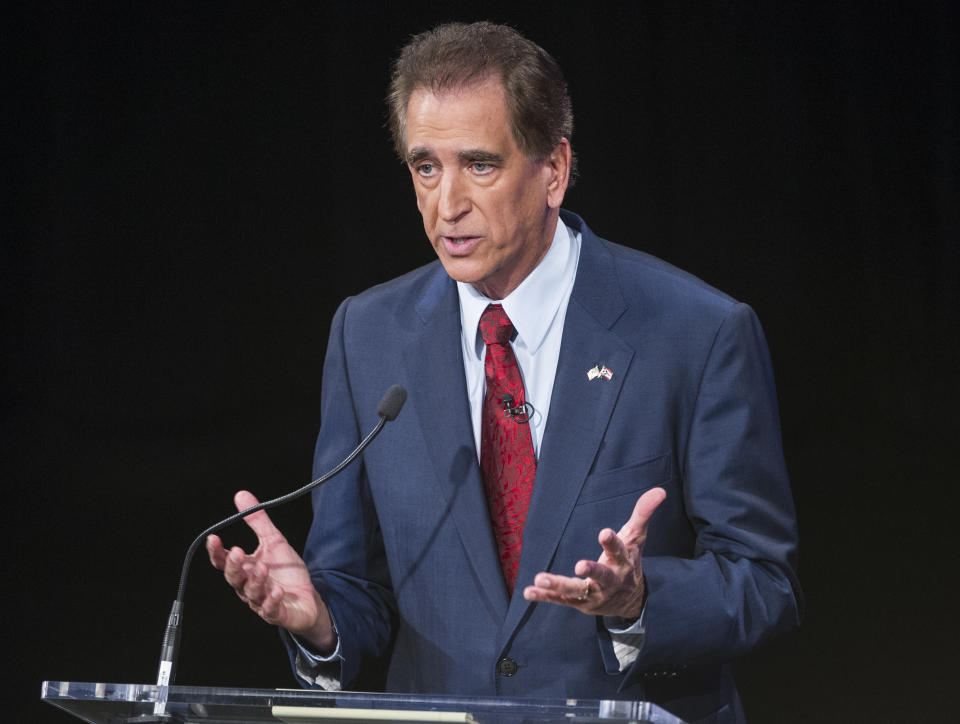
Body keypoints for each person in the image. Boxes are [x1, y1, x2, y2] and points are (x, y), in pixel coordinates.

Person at [207, 21, 800, 724]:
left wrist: (640, 600)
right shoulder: (367, 335)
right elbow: (357, 589)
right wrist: (318, 623)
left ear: (553, 170)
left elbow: (765, 582)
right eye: (426, 167)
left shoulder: (694, 332)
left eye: (479, 165)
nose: (446, 204)